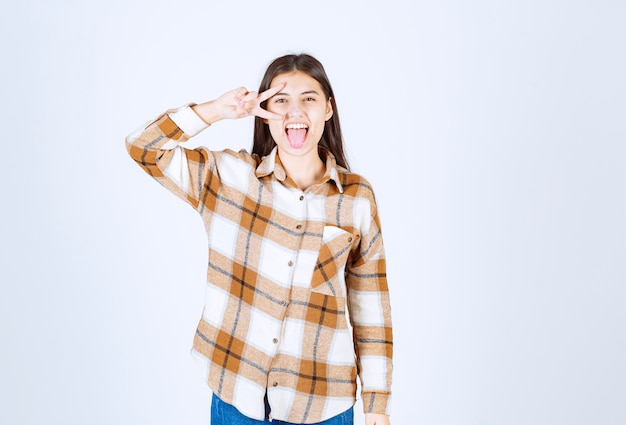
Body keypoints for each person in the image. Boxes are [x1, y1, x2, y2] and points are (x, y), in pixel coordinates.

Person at [126, 53, 393, 425]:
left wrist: (377, 404)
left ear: (328, 109)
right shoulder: (230, 178)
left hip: (323, 405)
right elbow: (143, 147)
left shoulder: (356, 198)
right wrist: (216, 110)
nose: (294, 111)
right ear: (264, 111)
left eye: (309, 98)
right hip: (238, 398)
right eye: (280, 100)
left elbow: (370, 305)